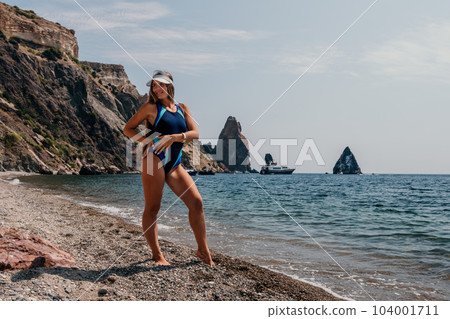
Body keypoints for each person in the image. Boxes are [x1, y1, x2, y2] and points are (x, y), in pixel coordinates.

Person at [123, 70, 214, 265]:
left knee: (196, 203)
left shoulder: (182, 108)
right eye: (154, 85)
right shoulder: (150, 108)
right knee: (153, 208)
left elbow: (195, 133)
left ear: (170, 85)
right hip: (152, 160)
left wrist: (175, 137)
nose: (157, 88)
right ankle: (157, 256)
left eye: (161, 84)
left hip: (175, 163)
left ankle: (203, 251)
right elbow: (128, 128)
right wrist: (148, 141)